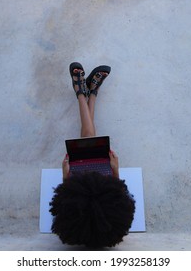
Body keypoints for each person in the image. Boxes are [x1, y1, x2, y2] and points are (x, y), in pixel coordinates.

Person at [49, 62, 135, 248]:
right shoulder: (109, 228)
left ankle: (86, 93)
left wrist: (67, 178)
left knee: (88, 139)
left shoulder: (76, 226)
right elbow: (120, 200)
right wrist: (115, 174)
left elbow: (64, 204)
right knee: (88, 139)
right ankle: (85, 93)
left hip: (81, 184)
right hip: (103, 183)